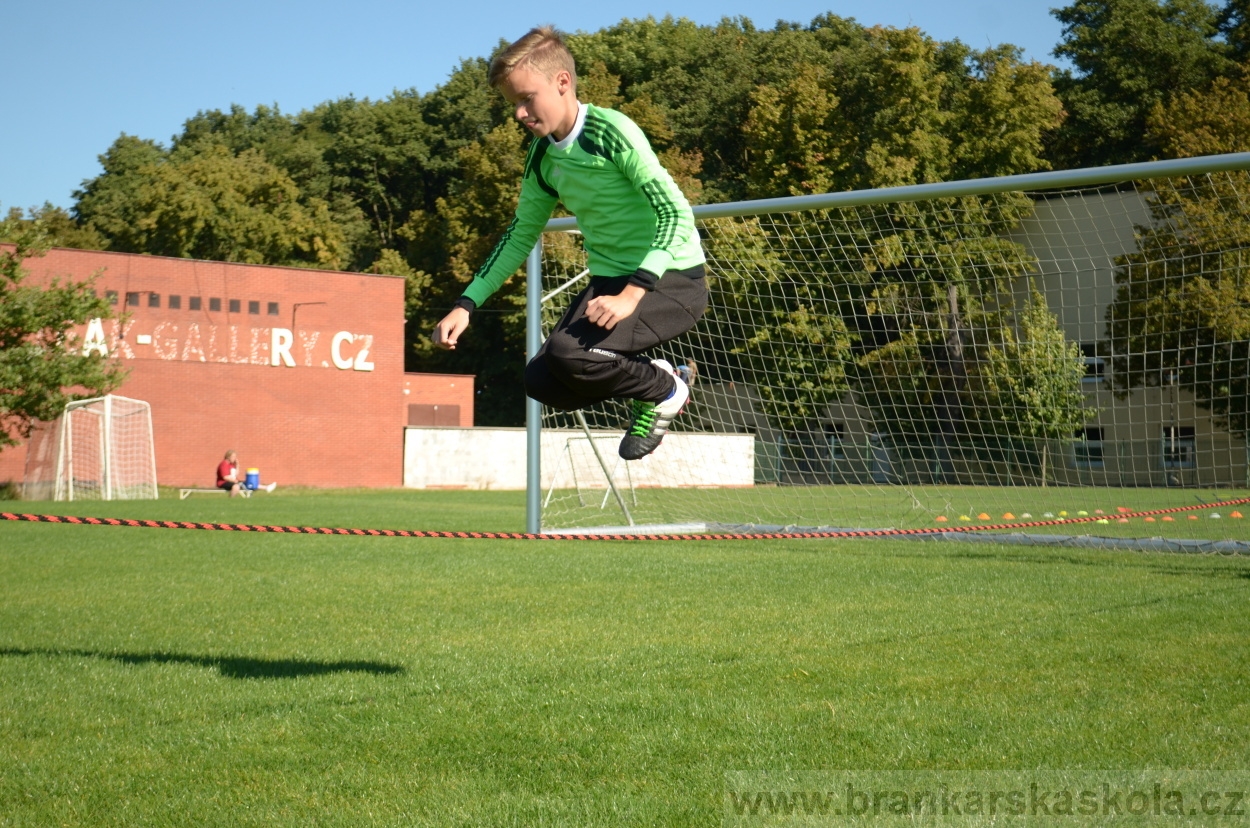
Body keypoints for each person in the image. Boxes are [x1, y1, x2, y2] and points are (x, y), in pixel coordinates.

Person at [431, 26, 707, 460]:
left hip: (670, 279)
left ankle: (666, 390)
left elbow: (676, 214)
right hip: (609, 282)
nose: (519, 113)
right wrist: (466, 304)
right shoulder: (542, 157)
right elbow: (520, 234)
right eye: (512, 104)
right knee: (541, 381)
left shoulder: (612, 132)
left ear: (562, 82)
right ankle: (659, 377)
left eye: (526, 99)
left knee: (568, 354)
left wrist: (632, 293)